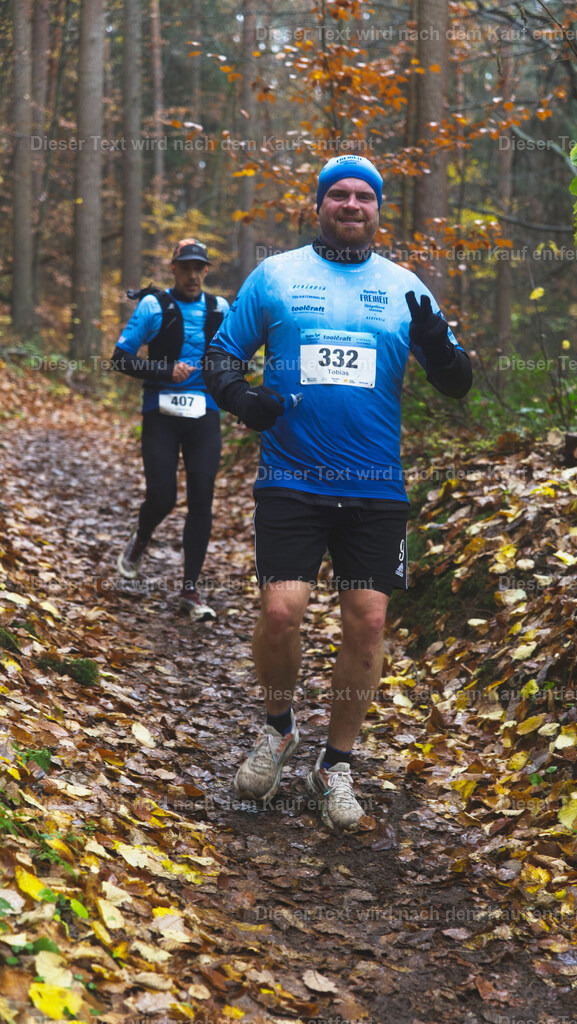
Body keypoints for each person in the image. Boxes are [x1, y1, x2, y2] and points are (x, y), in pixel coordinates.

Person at [203, 154, 472, 830]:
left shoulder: (407, 287)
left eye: (364, 197)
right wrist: (242, 400)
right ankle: (278, 728)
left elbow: (459, 384)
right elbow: (218, 359)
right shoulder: (277, 276)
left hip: (377, 486)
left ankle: (337, 764)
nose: (351, 205)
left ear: (378, 210)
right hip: (291, 478)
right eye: (339, 195)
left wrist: (440, 348)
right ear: (319, 205)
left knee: (370, 623)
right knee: (282, 613)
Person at [112, 238, 230, 621]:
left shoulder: (220, 308)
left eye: (199, 268)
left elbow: (233, 357)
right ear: (174, 269)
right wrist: (164, 371)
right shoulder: (153, 306)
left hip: (204, 415)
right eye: (185, 268)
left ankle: (190, 589)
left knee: (202, 498)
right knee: (163, 498)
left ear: (207, 271)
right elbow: (120, 359)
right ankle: (140, 540)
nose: (192, 275)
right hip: (161, 413)